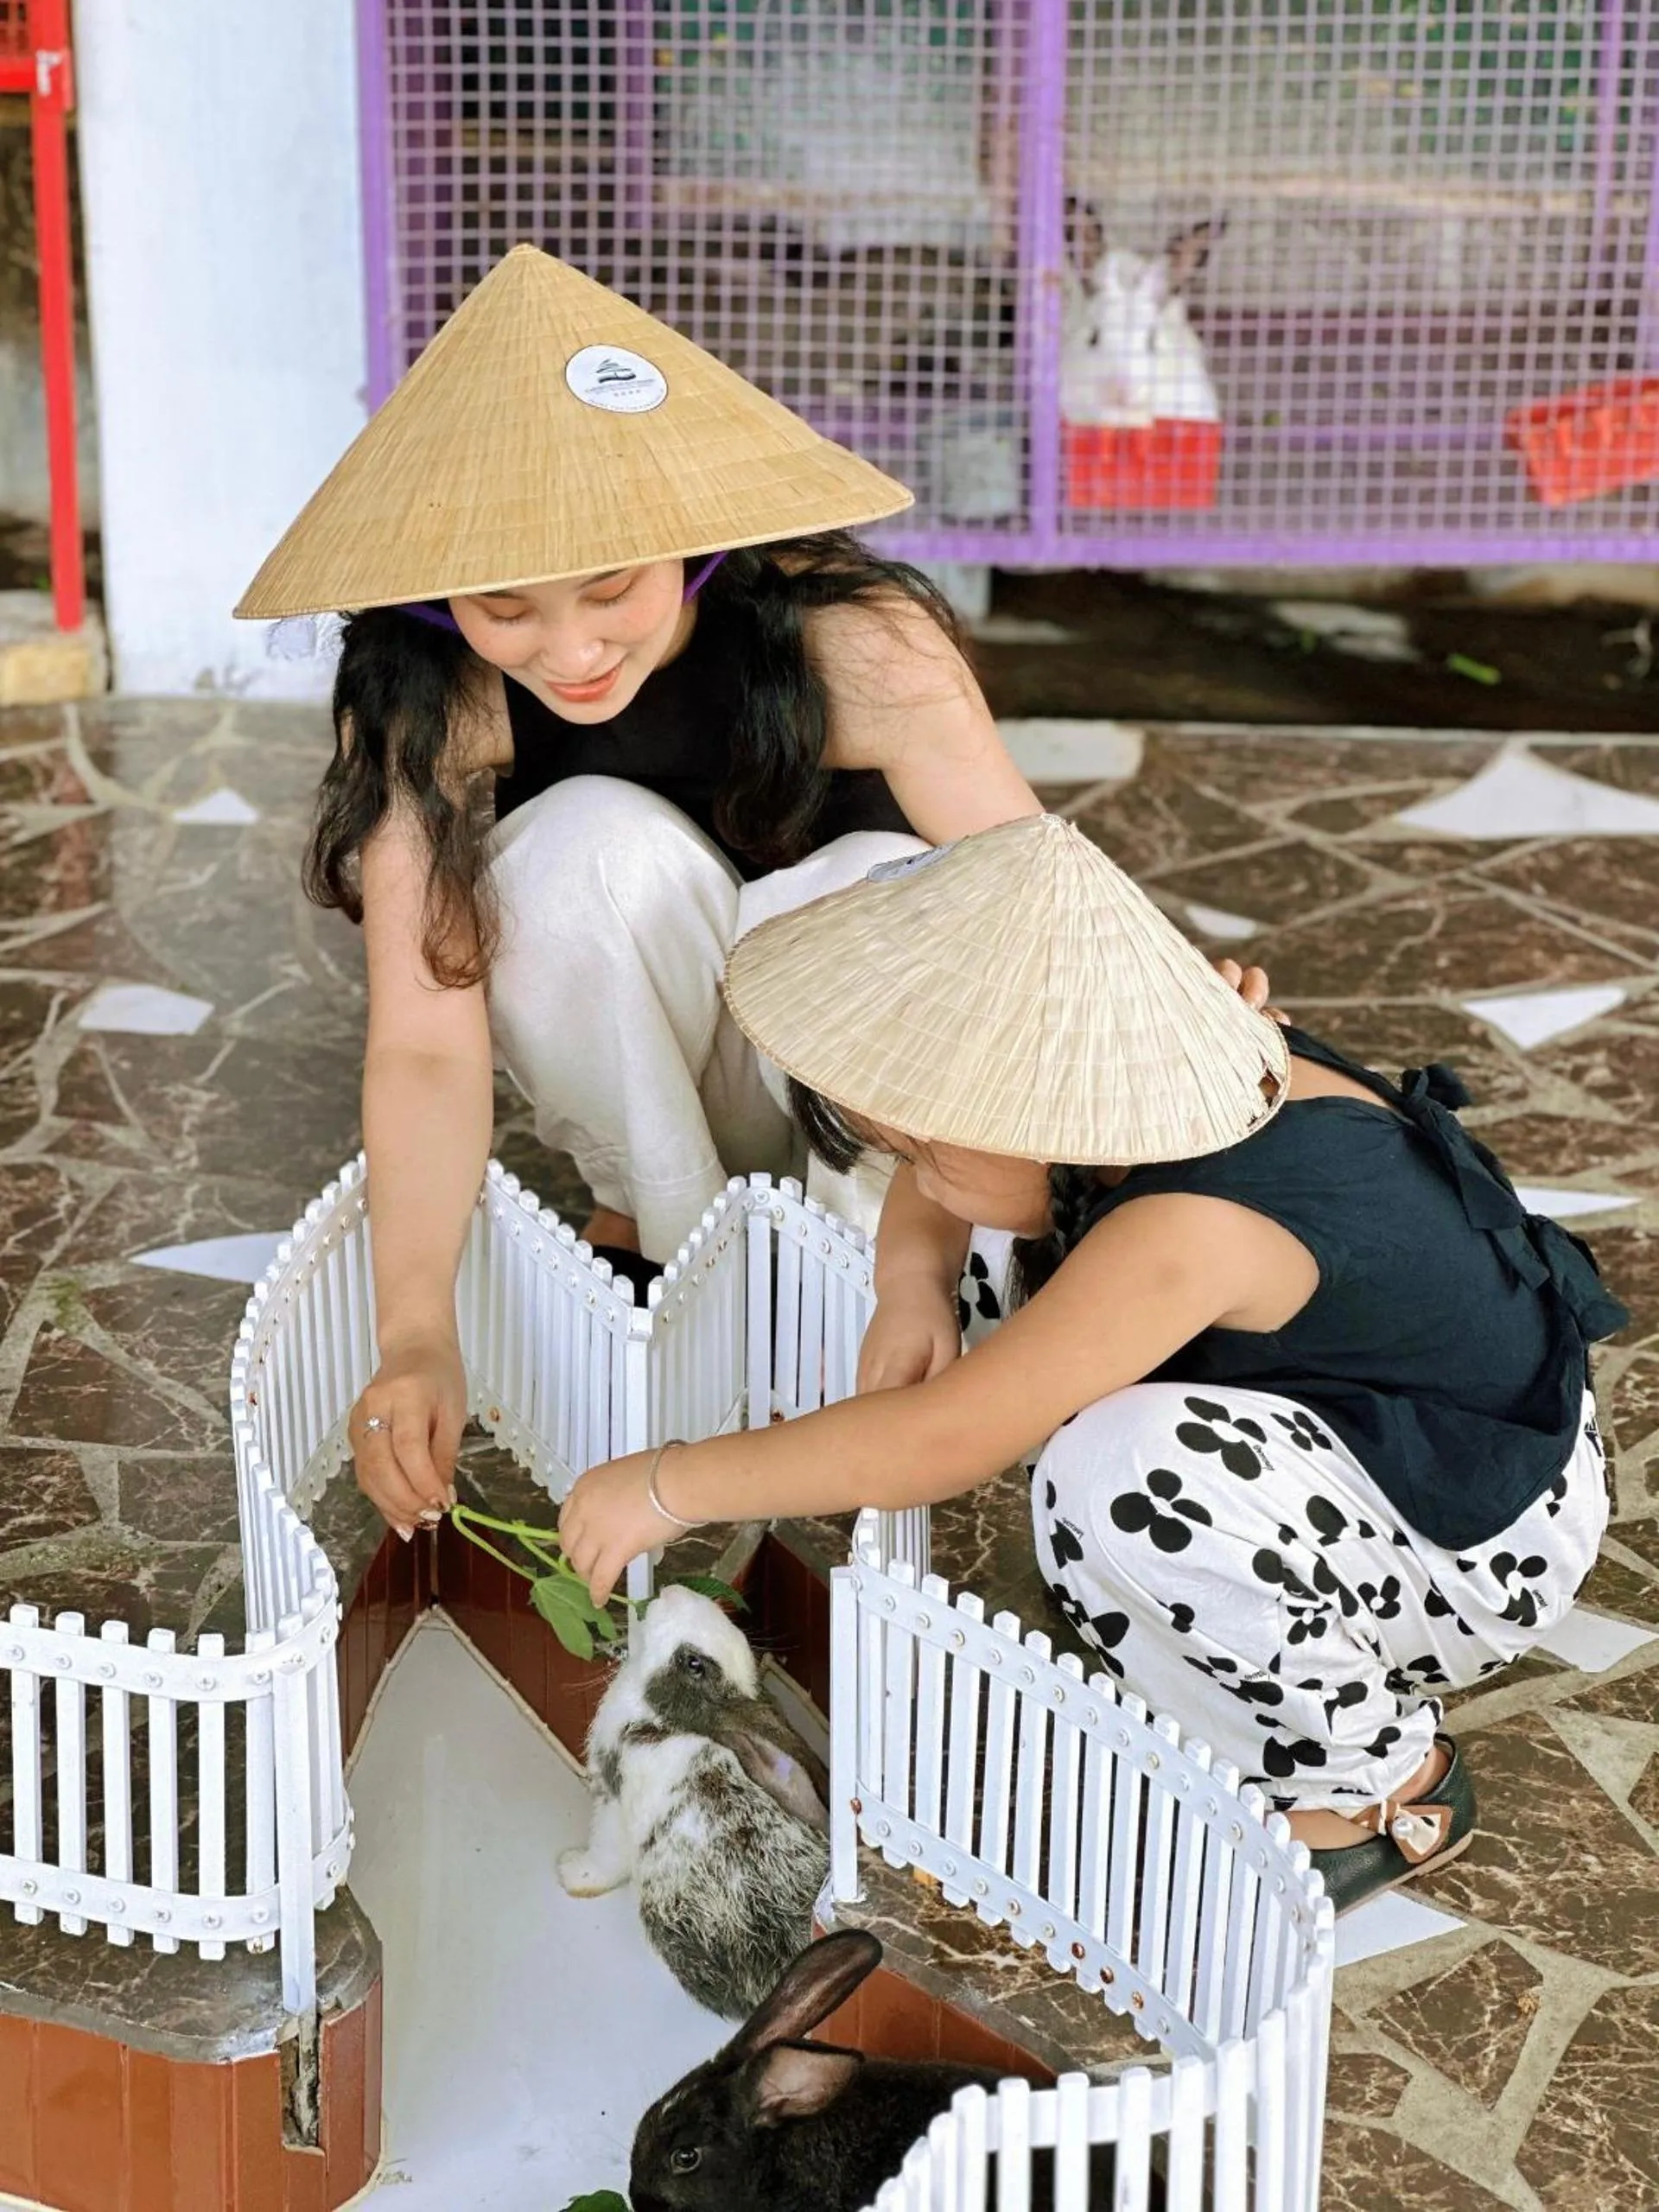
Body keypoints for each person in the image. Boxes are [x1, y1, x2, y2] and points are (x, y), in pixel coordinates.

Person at [238, 245, 1270, 1545]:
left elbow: (1033, 892)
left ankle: (852, 1274)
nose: (570, 650)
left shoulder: (854, 641)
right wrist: (415, 1334)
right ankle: (673, 1240)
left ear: (692, 541)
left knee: (851, 886)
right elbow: (426, 1044)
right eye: (504, 607)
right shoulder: (420, 693)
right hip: (675, 1054)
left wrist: (1192, 1019)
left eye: (611, 587)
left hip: (883, 1113)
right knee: (572, 854)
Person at [560, 814, 1624, 1911]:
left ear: (1050, 1112)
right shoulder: (1154, 1084)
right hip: (1351, 1420)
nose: (910, 1172)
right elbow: (952, 1179)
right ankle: (1216, 1619)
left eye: (923, 1145)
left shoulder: (1189, 1230)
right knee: (1008, 1273)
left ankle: (1378, 1780)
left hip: (1477, 1531)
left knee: (1116, 1476)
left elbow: (941, 1441)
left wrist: (666, 1484)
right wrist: (911, 1285)